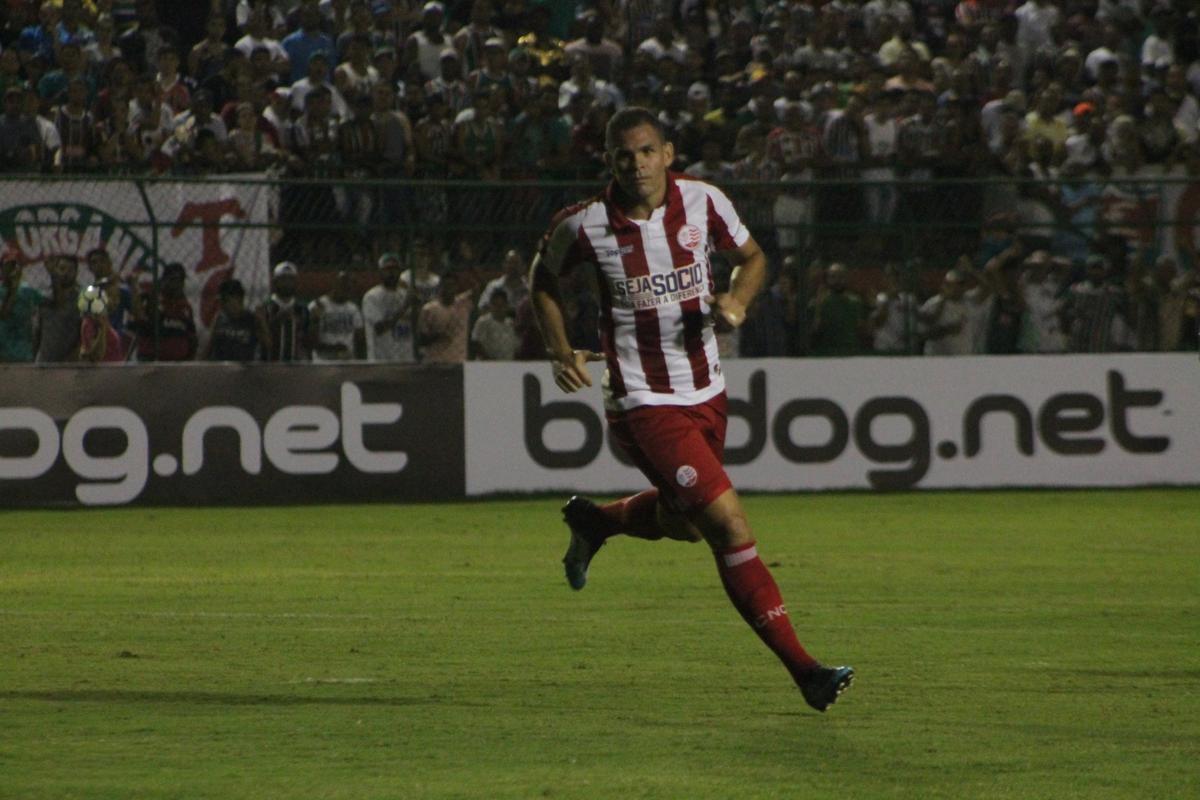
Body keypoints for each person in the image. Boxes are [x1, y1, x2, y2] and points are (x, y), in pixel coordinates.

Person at [528, 106, 853, 713]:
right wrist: (555, 346)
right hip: (641, 401)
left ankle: (599, 523)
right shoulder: (585, 224)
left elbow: (753, 258)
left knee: (685, 523)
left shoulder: (705, 202)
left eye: (647, 151)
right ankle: (806, 670)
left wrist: (738, 301)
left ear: (668, 153)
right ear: (609, 161)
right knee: (730, 526)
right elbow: (541, 281)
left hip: (707, 391)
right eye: (624, 154)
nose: (637, 164)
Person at [362, 252, 418, 362]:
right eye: (387, 269)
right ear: (380, 272)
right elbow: (380, 328)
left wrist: (418, 305)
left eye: (395, 269)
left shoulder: (405, 294)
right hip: (382, 360)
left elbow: (415, 325)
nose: (391, 272)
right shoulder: (372, 296)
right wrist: (405, 306)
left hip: (406, 359)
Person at [204, 278, 269, 361]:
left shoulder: (251, 319)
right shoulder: (220, 318)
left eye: (225, 301)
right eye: (221, 302)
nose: (222, 305)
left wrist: (262, 322)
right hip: (221, 367)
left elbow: (267, 344)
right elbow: (208, 347)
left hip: (244, 369)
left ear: (238, 299)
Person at [309, 270, 365, 361]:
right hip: (323, 361)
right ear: (334, 285)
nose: (345, 289)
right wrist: (315, 320)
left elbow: (360, 338)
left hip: (347, 361)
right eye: (342, 285)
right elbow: (311, 342)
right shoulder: (318, 305)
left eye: (348, 287)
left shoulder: (353, 308)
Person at [0, 252, 43, 362]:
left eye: (15, 265)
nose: (13, 269)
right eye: (9, 266)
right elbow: (3, 314)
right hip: (3, 350)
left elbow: (48, 305)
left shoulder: (27, 291)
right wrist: (13, 289)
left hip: (24, 351)